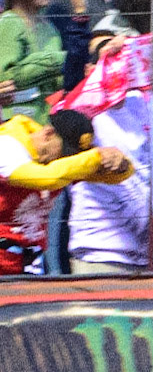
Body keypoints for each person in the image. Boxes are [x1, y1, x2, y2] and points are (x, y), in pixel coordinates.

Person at [0, 109, 135, 274]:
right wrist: (95, 157)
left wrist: (121, 164)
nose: (65, 159)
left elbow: (107, 175)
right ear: (48, 133)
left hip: (29, 261)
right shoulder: (7, 145)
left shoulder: (54, 160)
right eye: (64, 151)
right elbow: (47, 178)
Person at [0, 0, 66, 123]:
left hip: (46, 122)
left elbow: (56, 83)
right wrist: (58, 61)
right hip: (18, 122)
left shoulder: (49, 28)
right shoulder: (10, 22)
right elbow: (7, 76)